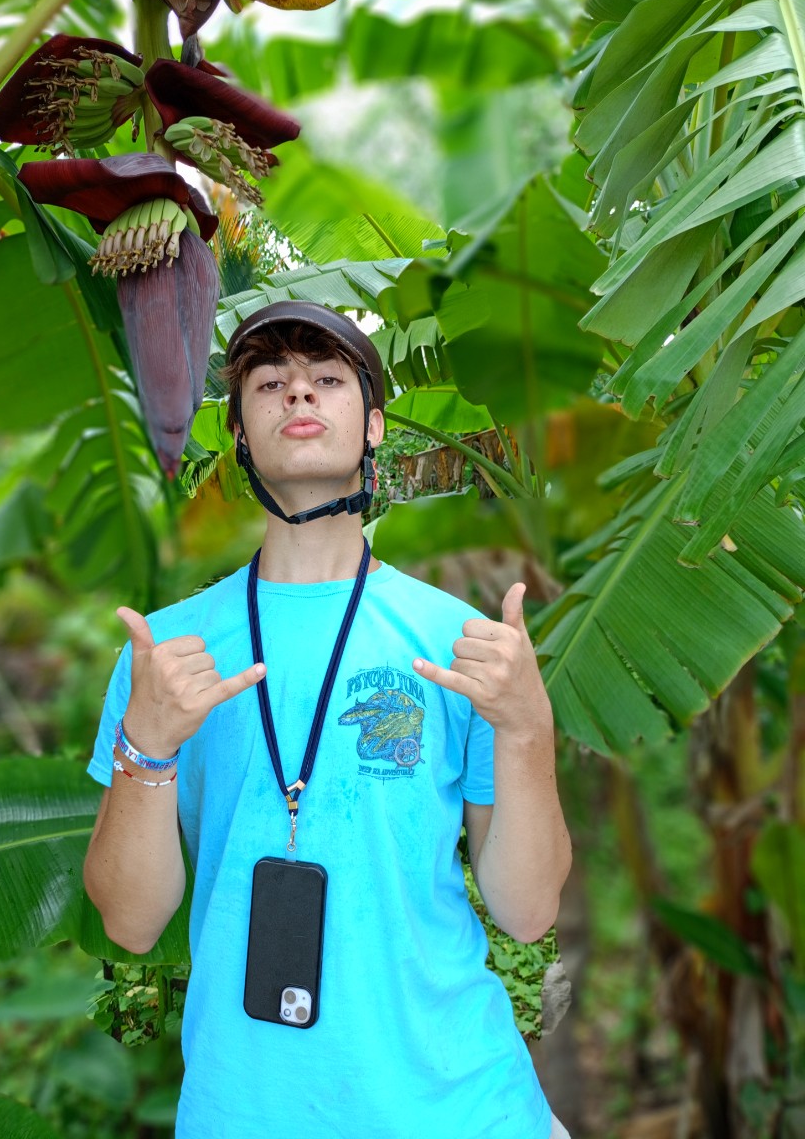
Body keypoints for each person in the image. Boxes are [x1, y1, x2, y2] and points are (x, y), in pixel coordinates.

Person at [83, 301, 573, 1139]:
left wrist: (528, 733)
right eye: (270, 384)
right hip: (246, 1111)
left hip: (462, 1108)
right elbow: (130, 924)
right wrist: (148, 746)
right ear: (238, 434)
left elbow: (527, 911)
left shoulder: (457, 642)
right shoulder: (165, 654)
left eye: (328, 380)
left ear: (374, 424)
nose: (299, 395)